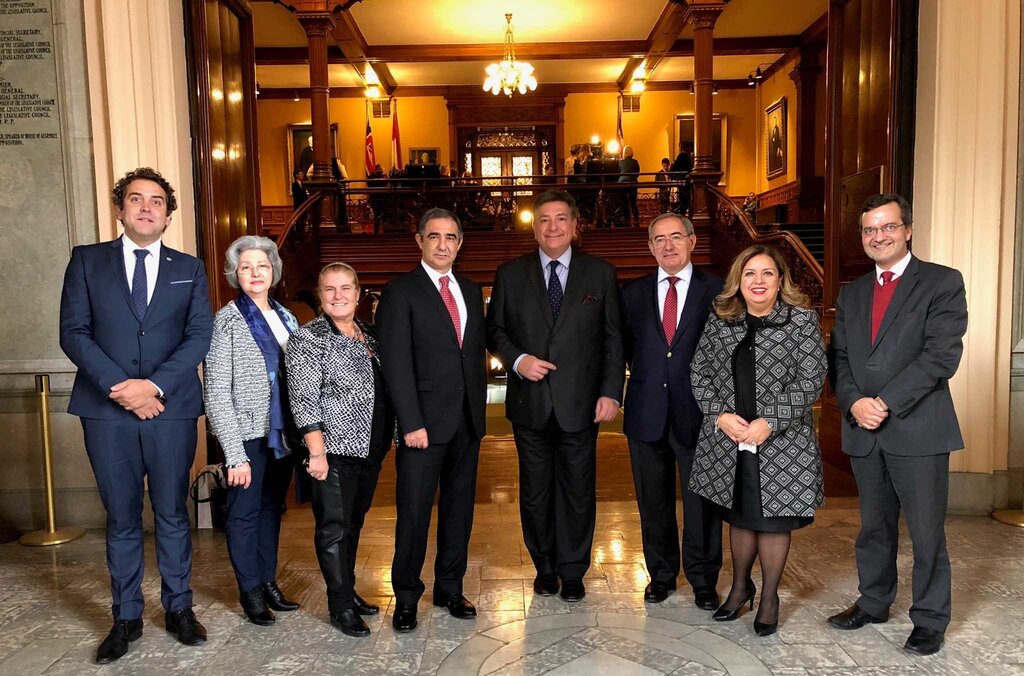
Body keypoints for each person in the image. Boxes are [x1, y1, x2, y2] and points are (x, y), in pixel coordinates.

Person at [59, 167, 213, 663]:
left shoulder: (190, 267)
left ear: (168, 216)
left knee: (171, 511)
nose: (146, 207)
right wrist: (123, 389)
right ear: (120, 209)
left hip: (171, 408)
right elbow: (73, 332)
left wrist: (154, 386)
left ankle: (179, 608)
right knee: (122, 516)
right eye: (136, 199)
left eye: (157, 201)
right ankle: (125, 617)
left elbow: (199, 336)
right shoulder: (87, 261)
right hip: (106, 412)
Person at [827, 194, 968, 656]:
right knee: (874, 527)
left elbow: (940, 356)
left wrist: (884, 402)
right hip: (864, 430)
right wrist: (854, 403)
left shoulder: (942, 282)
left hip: (918, 429)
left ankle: (929, 619)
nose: (878, 236)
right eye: (869, 229)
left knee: (926, 534)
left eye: (888, 226)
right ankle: (873, 602)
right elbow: (839, 358)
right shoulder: (852, 292)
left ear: (907, 230)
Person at [486, 189, 625, 602]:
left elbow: (613, 339)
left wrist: (611, 392)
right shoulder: (510, 273)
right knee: (535, 493)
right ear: (534, 228)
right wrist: (518, 360)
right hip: (529, 404)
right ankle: (544, 567)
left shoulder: (600, 274)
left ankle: (573, 570)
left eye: (561, 218)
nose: (552, 227)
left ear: (575, 225)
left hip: (582, 404)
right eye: (544, 219)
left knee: (578, 492)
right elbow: (494, 331)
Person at [689, 245, 826, 637]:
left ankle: (768, 597)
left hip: (782, 443)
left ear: (780, 280)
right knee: (740, 515)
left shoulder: (800, 320)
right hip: (731, 440)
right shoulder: (721, 319)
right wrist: (719, 415)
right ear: (738, 281)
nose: (758, 281)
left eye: (767, 273)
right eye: (750, 273)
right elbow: (699, 373)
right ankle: (739, 588)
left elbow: (812, 378)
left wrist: (771, 421)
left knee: (773, 520)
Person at [376, 208, 487, 632]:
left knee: (459, 511)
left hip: (466, 422)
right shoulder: (400, 291)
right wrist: (410, 422)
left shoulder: (471, 290)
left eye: (451, 237)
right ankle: (406, 597)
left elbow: (470, 355)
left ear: (460, 243)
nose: (443, 244)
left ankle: (450, 588)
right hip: (422, 424)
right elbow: (396, 363)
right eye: (435, 236)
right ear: (419, 240)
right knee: (414, 513)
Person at [285, 262, 395, 637]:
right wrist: (316, 452)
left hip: (370, 448)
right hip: (332, 451)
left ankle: (348, 590)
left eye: (346, 288)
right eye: (330, 289)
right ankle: (340, 606)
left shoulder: (369, 333)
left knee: (353, 523)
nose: (338, 295)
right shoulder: (308, 338)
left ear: (358, 293)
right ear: (320, 296)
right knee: (333, 528)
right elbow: (303, 400)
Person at [621, 214, 724, 609]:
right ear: (650, 247)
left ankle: (703, 579)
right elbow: (625, 348)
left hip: (701, 414)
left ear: (692, 241)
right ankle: (661, 575)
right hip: (646, 412)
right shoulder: (632, 293)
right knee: (653, 502)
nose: (668, 246)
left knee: (703, 503)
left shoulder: (718, 291)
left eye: (676, 237)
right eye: (659, 239)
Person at [203, 236, 301, 627]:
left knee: (272, 509)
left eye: (262, 265)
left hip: (282, 433)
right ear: (235, 275)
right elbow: (215, 391)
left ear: (273, 271)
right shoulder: (225, 321)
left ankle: (267, 580)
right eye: (246, 267)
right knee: (243, 514)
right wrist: (234, 454)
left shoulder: (287, 317)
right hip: (246, 434)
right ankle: (250, 591)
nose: (255, 272)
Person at [618, 145, 641, 225]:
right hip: (632, 183)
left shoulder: (620, 162)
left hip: (622, 184)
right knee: (633, 202)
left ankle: (626, 220)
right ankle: (636, 220)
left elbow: (618, 172)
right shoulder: (635, 162)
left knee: (624, 202)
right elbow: (637, 172)